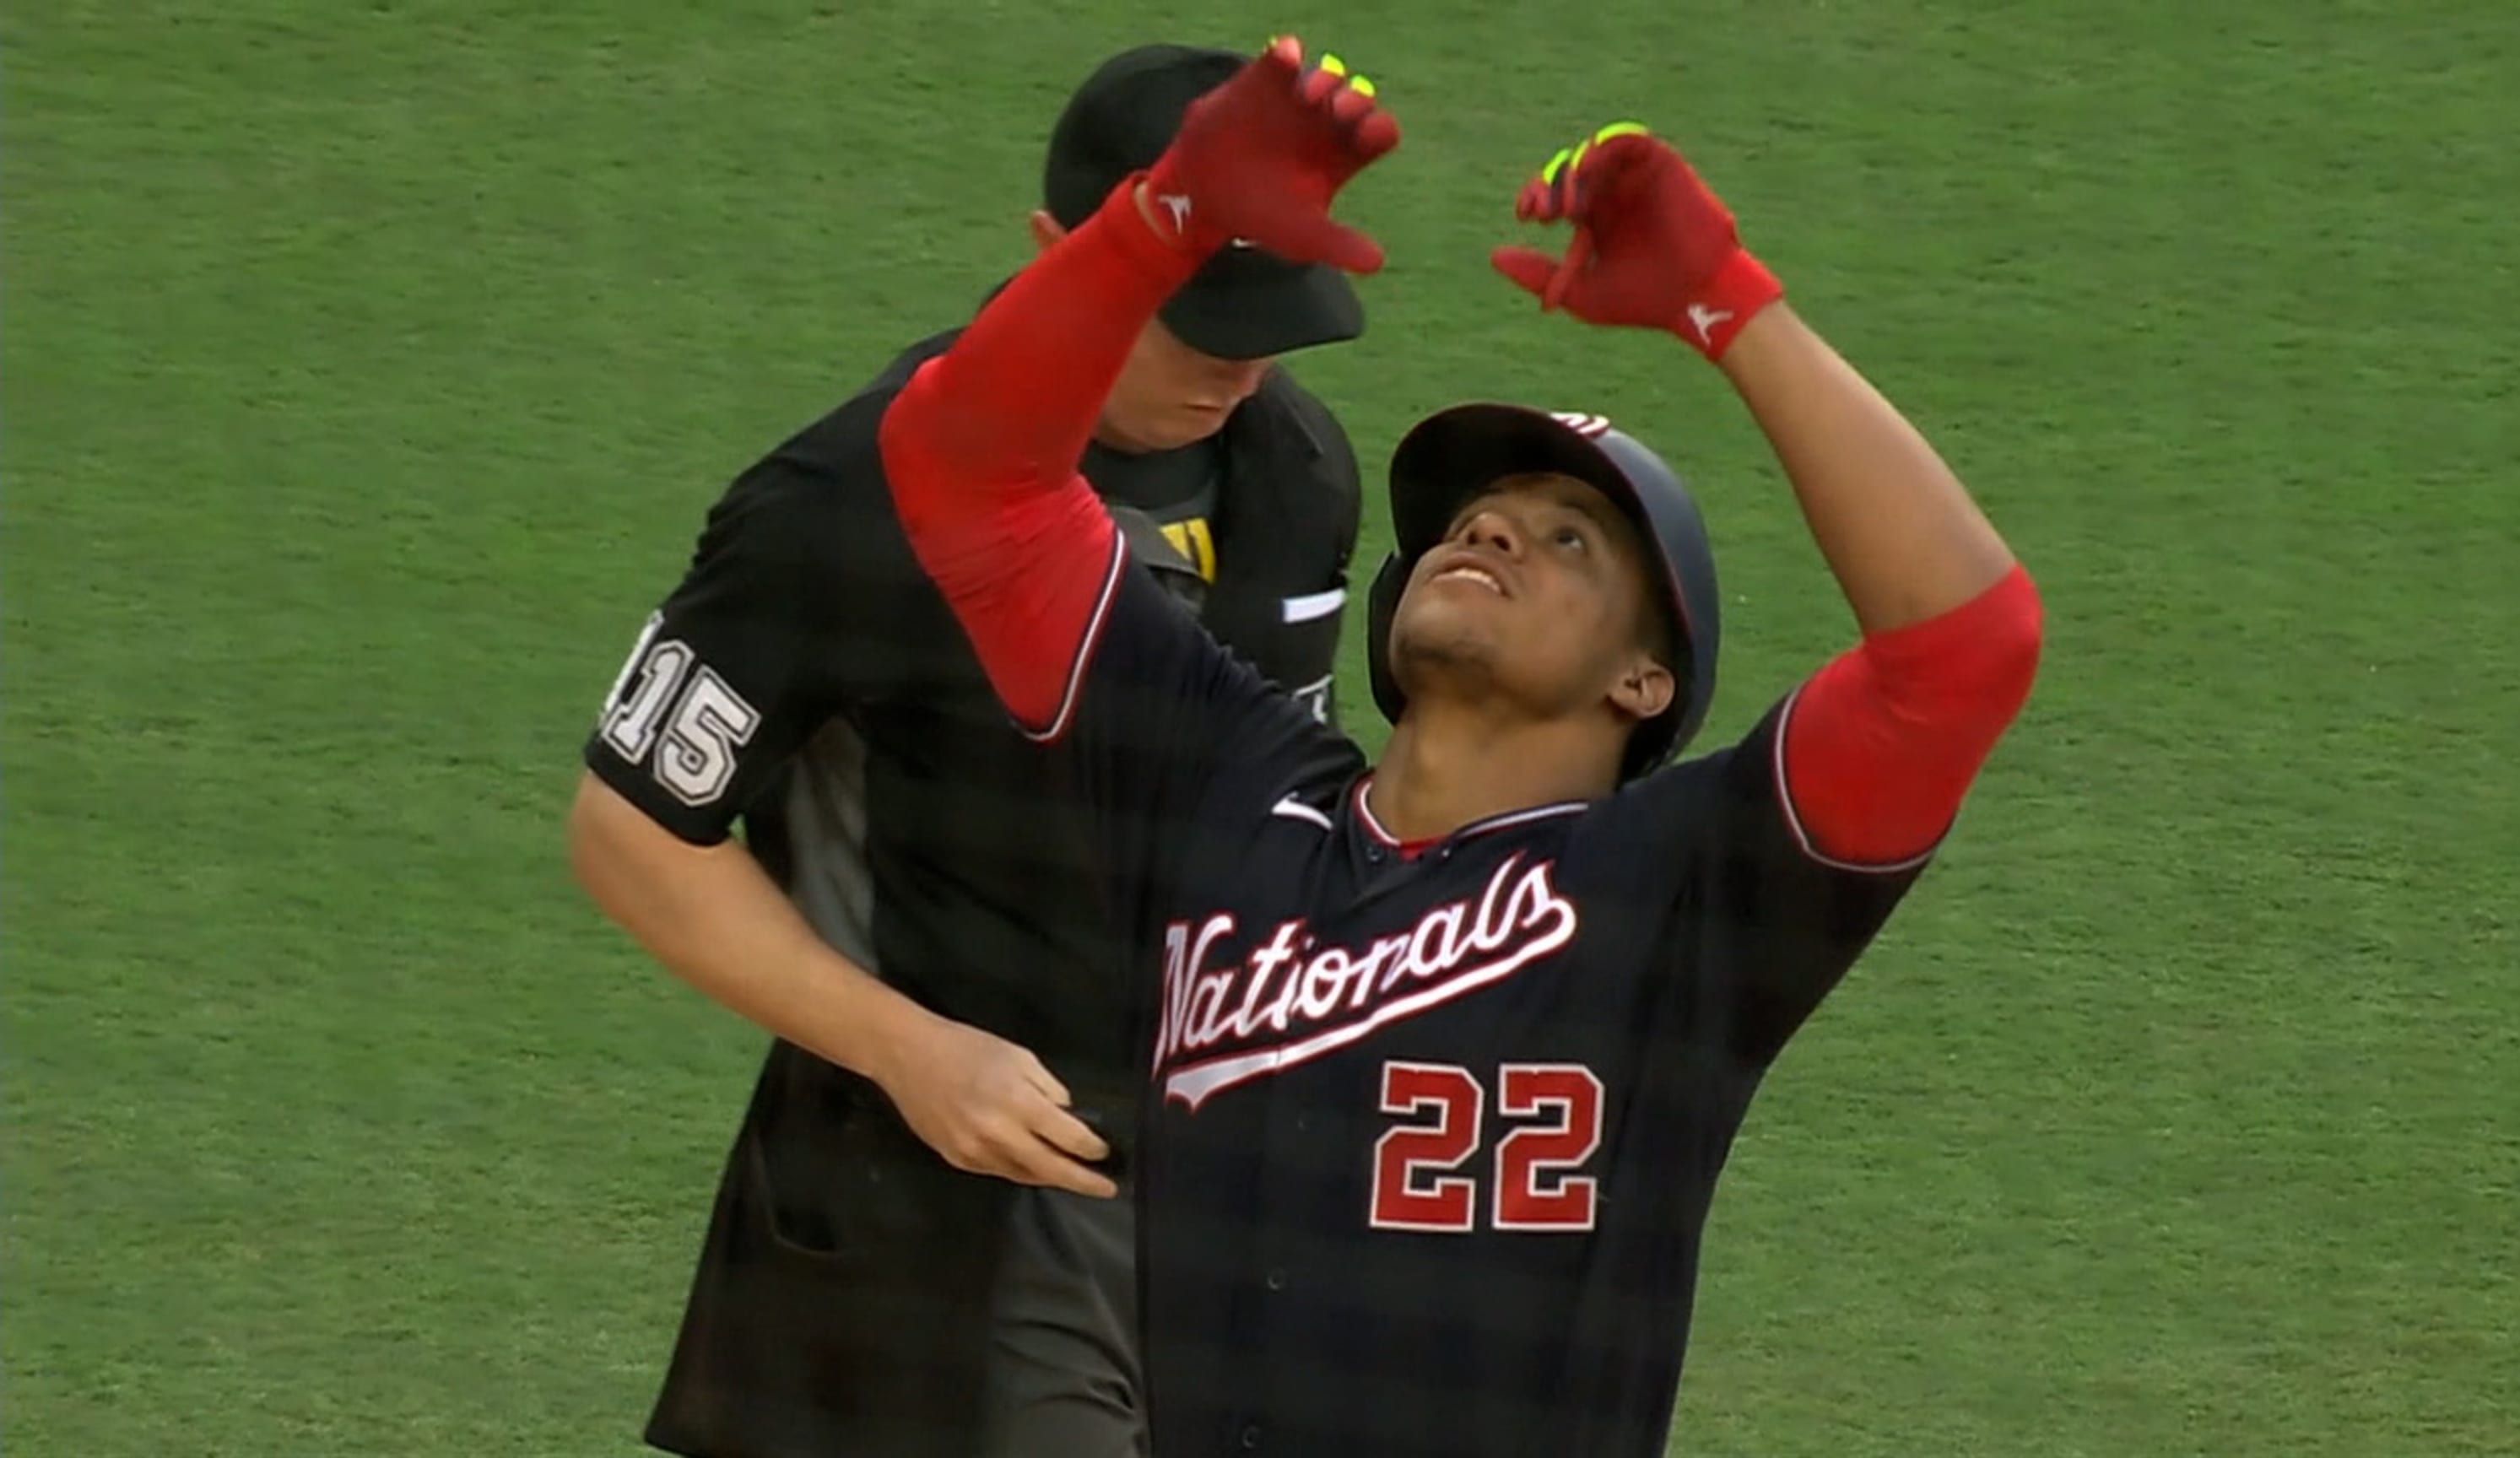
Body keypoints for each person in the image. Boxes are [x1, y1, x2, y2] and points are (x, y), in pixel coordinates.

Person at [873, 38, 2046, 1458]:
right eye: (1476, 516)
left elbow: (1964, 651)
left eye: (1571, 539)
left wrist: (1728, 307)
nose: (1492, 529)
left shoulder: (1692, 891)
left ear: (1643, 679)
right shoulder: (1220, 782)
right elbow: (961, 475)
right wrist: (1163, 225)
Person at [565, 41, 1372, 1458]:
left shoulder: (1295, 469)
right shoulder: (845, 500)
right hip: (905, 1206)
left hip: (1197, 1208)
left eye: (1276, 325)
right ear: (1062, 252)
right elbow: (626, 834)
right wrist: (912, 1053)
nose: (1243, 366)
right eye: (1202, 321)